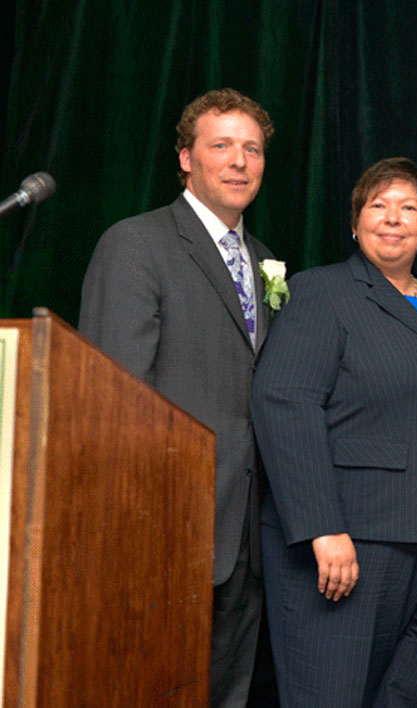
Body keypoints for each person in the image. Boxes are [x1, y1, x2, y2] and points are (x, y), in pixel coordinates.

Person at [250, 157, 417, 707]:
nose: (393, 218)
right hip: (352, 544)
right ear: (355, 222)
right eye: (378, 205)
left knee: (410, 697)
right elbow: (285, 403)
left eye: (409, 207)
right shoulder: (321, 292)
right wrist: (322, 527)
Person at [79, 88, 274, 708]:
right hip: (162, 528)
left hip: (246, 533)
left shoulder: (266, 261)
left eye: (252, 149)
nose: (240, 162)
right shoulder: (136, 244)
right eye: (222, 146)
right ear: (186, 159)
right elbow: (115, 398)